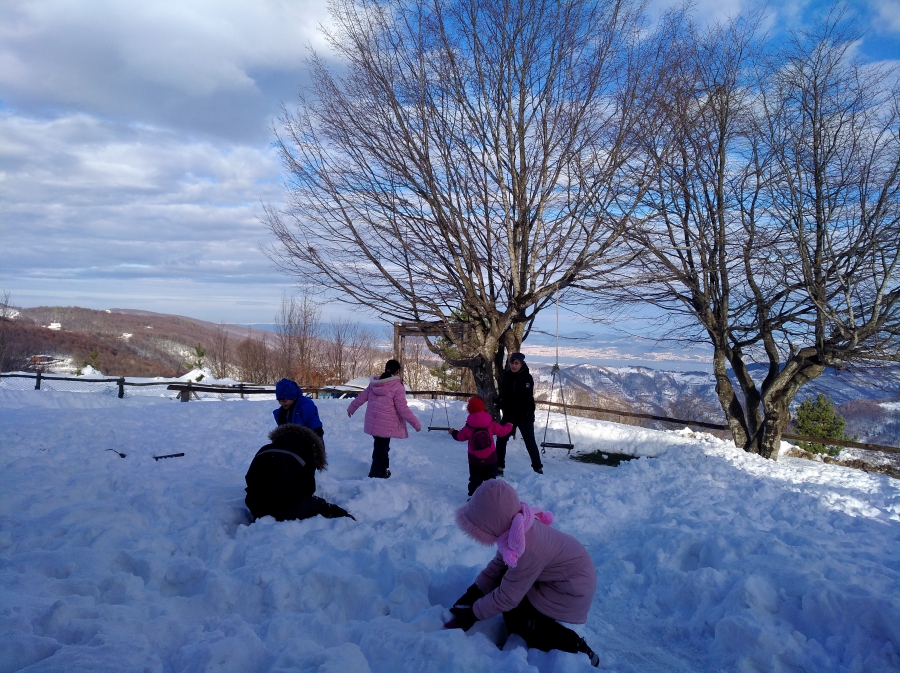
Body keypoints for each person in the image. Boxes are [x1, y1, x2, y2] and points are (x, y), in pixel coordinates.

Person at [448, 480, 599, 667]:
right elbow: (497, 567)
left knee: (516, 616)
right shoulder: (516, 527)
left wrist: (470, 615)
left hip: (571, 591)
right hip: (559, 578)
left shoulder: (528, 548)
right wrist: (471, 595)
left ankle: (576, 647)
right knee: (505, 581)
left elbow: (507, 598)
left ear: (491, 524)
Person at [244, 423, 354, 522]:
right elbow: (309, 488)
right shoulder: (306, 452)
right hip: (288, 507)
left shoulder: (266, 449)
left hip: (256, 507)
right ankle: (346, 519)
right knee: (321, 506)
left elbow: (249, 477)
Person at [346, 359, 422, 478]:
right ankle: (377, 474)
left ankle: (381, 470)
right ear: (397, 371)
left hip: (374, 422)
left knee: (381, 448)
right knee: (381, 449)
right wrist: (416, 424)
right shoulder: (397, 386)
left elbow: (361, 397)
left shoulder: (375, 383)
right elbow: (402, 408)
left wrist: (351, 408)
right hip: (385, 425)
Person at [449, 396, 513, 496]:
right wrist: (509, 426)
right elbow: (502, 431)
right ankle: (490, 498)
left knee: (475, 480)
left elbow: (460, 437)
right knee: (491, 480)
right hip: (491, 458)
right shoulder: (490, 422)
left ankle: (473, 500)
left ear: (469, 409)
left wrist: (453, 432)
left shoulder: (469, 425)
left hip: (474, 459)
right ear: (483, 407)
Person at [495, 352, 543, 474]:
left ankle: (538, 468)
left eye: (516, 363)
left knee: (529, 442)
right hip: (510, 414)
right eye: (512, 362)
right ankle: (499, 466)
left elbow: (524, 398)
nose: (514, 365)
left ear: (521, 364)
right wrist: (499, 400)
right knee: (501, 438)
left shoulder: (527, 378)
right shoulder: (507, 376)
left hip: (524, 415)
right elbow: (504, 393)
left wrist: (506, 402)